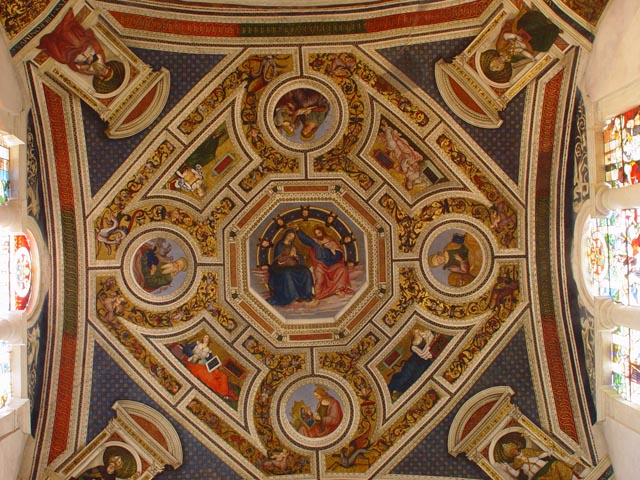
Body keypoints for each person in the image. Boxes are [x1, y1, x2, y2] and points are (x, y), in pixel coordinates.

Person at [38, 10, 125, 93]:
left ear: (100, 76)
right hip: (83, 45)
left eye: (103, 72)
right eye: (105, 69)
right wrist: (90, 55)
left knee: (62, 59)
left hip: (72, 55)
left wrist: (81, 66)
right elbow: (95, 44)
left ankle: (50, 40)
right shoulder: (102, 58)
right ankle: (66, 25)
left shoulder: (90, 72)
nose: (102, 70)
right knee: (75, 42)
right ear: (107, 67)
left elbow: (75, 68)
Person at [480, 9, 560, 84]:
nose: (500, 60)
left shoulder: (500, 48)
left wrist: (515, 37)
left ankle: (543, 20)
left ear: (495, 58)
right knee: (542, 46)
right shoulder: (512, 59)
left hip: (518, 33)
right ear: (502, 65)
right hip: (525, 43)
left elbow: (505, 35)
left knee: (529, 28)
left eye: (497, 61)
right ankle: (552, 28)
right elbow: (522, 53)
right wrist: (531, 57)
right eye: (499, 64)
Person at [296, 226, 353, 299]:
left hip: (331, 265)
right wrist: (299, 231)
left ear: (322, 232)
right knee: (320, 278)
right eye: (316, 234)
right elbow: (306, 239)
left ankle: (338, 289)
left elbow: (339, 256)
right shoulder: (315, 242)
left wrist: (334, 253)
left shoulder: (331, 242)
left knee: (343, 269)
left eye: (319, 233)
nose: (318, 235)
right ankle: (319, 294)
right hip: (320, 264)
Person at [267, 229, 315, 306]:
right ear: (285, 235)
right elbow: (279, 259)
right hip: (280, 267)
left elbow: (299, 256)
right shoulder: (280, 245)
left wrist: (296, 256)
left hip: (292, 265)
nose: (291, 238)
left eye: (293, 237)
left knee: (305, 271)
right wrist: (290, 255)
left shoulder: (292, 246)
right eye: (289, 236)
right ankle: (293, 296)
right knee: (288, 274)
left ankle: (306, 294)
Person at [183, 334, 238, 401]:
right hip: (196, 366)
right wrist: (193, 355)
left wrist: (213, 364)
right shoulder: (196, 344)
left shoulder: (208, 351)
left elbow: (210, 361)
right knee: (211, 379)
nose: (206, 339)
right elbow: (185, 349)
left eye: (207, 339)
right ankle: (224, 393)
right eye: (205, 337)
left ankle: (227, 392)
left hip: (206, 366)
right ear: (202, 339)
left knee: (222, 376)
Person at [497, 441, 583, 480]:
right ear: (511, 454)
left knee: (558, 464)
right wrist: (508, 468)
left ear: (516, 448)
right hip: (536, 476)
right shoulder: (516, 462)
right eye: (512, 452)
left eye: (513, 449)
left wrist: (548, 453)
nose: (514, 452)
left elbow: (539, 455)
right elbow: (517, 474)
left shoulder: (527, 451)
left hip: (546, 467)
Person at [388, 329, 435, 400]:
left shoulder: (426, 333)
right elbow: (422, 354)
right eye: (416, 332)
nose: (418, 332)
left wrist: (427, 342)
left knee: (415, 378)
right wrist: (428, 343)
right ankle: (392, 388)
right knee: (404, 376)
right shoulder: (413, 345)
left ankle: (400, 391)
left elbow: (431, 336)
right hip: (414, 362)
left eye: (418, 331)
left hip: (424, 363)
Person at [72, 446, 136, 480]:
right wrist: (94, 476)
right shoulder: (100, 469)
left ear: (120, 467)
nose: (114, 462)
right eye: (114, 458)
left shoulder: (112, 479)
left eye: (118, 462)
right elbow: (85, 474)